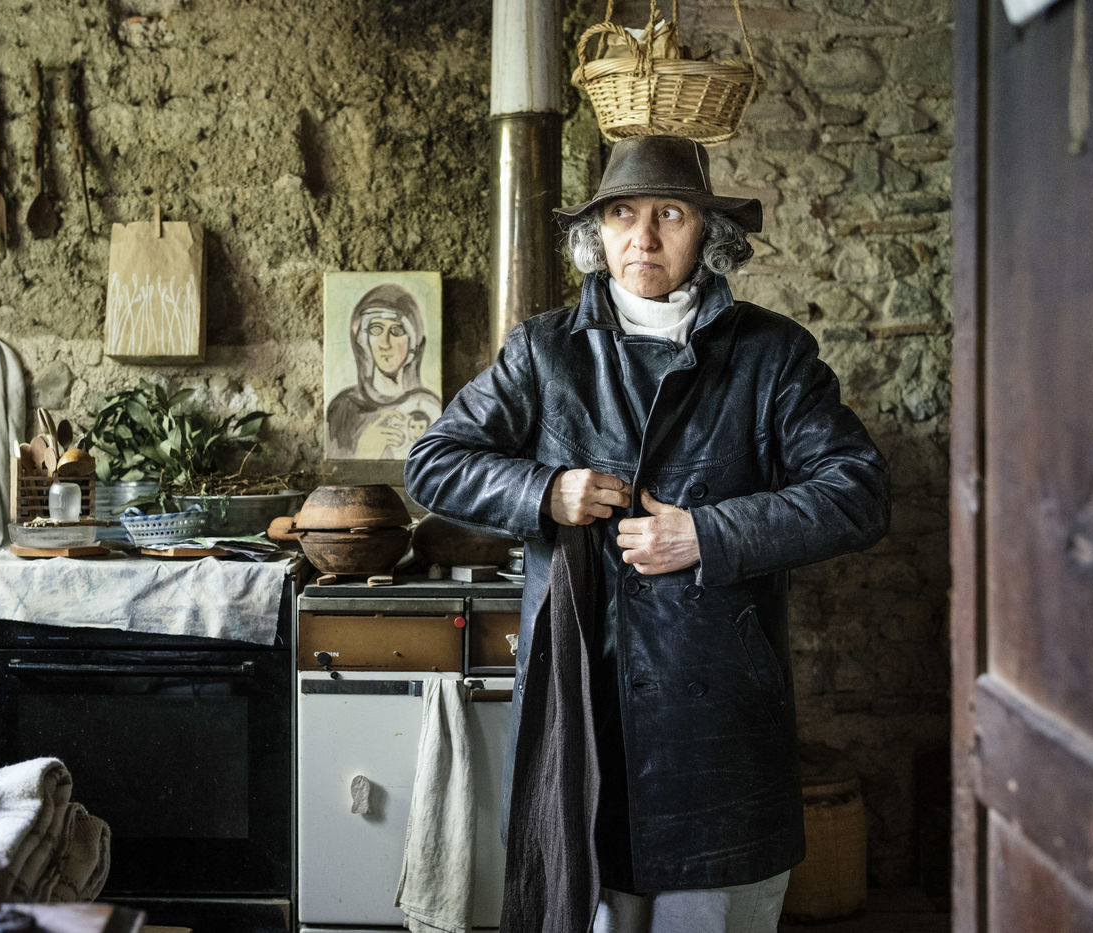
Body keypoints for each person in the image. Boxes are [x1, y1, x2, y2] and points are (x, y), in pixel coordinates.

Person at [403, 135, 890, 933]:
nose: (644, 237)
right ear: (596, 233)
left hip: (718, 730)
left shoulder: (772, 355)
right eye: (623, 214)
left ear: (709, 233)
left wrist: (707, 533)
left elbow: (859, 492)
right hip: (584, 715)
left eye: (671, 214)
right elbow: (433, 463)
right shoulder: (543, 352)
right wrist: (545, 489)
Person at [326, 283, 442, 459]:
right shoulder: (343, 407)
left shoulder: (429, 405)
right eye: (376, 329)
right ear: (363, 340)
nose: (385, 344)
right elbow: (334, 470)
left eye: (396, 330)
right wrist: (365, 451)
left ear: (413, 342)